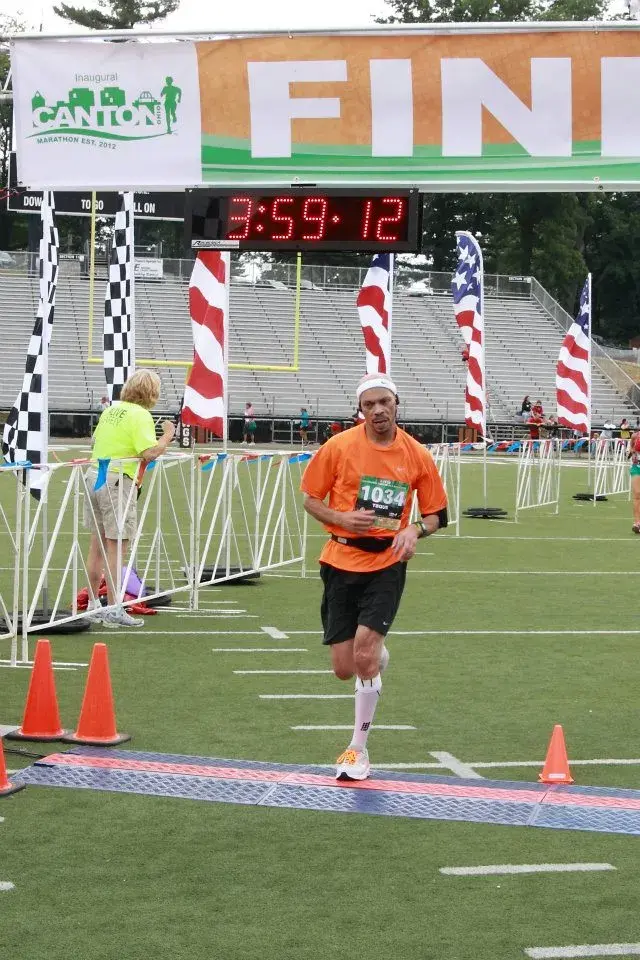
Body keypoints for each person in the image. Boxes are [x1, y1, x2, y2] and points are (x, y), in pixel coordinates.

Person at [300, 373, 448, 782]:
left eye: (385, 402)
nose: (378, 410)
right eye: (370, 405)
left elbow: (438, 514)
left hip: (387, 563)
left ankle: (356, 750)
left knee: (363, 657)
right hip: (340, 559)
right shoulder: (339, 447)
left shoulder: (416, 454)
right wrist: (342, 517)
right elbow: (311, 498)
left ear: (397, 403)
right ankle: (375, 654)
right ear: (360, 410)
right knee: (345, 668)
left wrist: (413, 530)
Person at [83, 370, 175, 628]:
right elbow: (149, 453)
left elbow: (95, 441)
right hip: (117, 480)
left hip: (94, 475)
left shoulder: (111, 410)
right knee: (117, 546)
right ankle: (114, 607)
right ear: (151, 393)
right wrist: (167, 434)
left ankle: (92, 604)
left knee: (97, 545)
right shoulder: (141, 415)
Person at [630, 430, 640, 534]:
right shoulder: (635, 435)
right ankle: (637, 523)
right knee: (637, 494)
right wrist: (631, 450)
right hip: (637, 467)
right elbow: (631, 445)